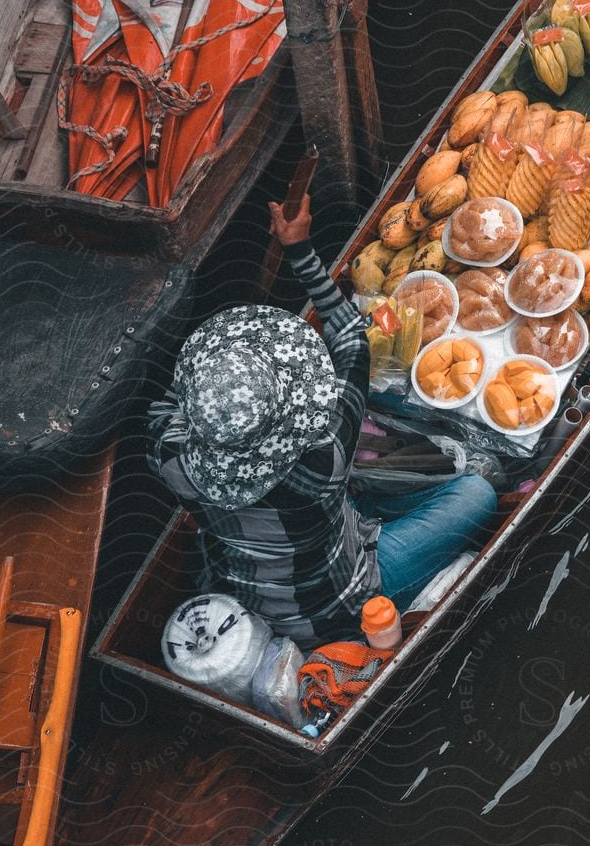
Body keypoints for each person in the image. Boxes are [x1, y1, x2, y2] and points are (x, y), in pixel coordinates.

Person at [148, 192, 497, 648]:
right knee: (477, 492)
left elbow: (170, 400)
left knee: (371, 485)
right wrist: (298, 248)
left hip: (249, 593)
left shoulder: (166, 452)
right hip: (344, 598)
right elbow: (353, 338)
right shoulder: (322, 459)